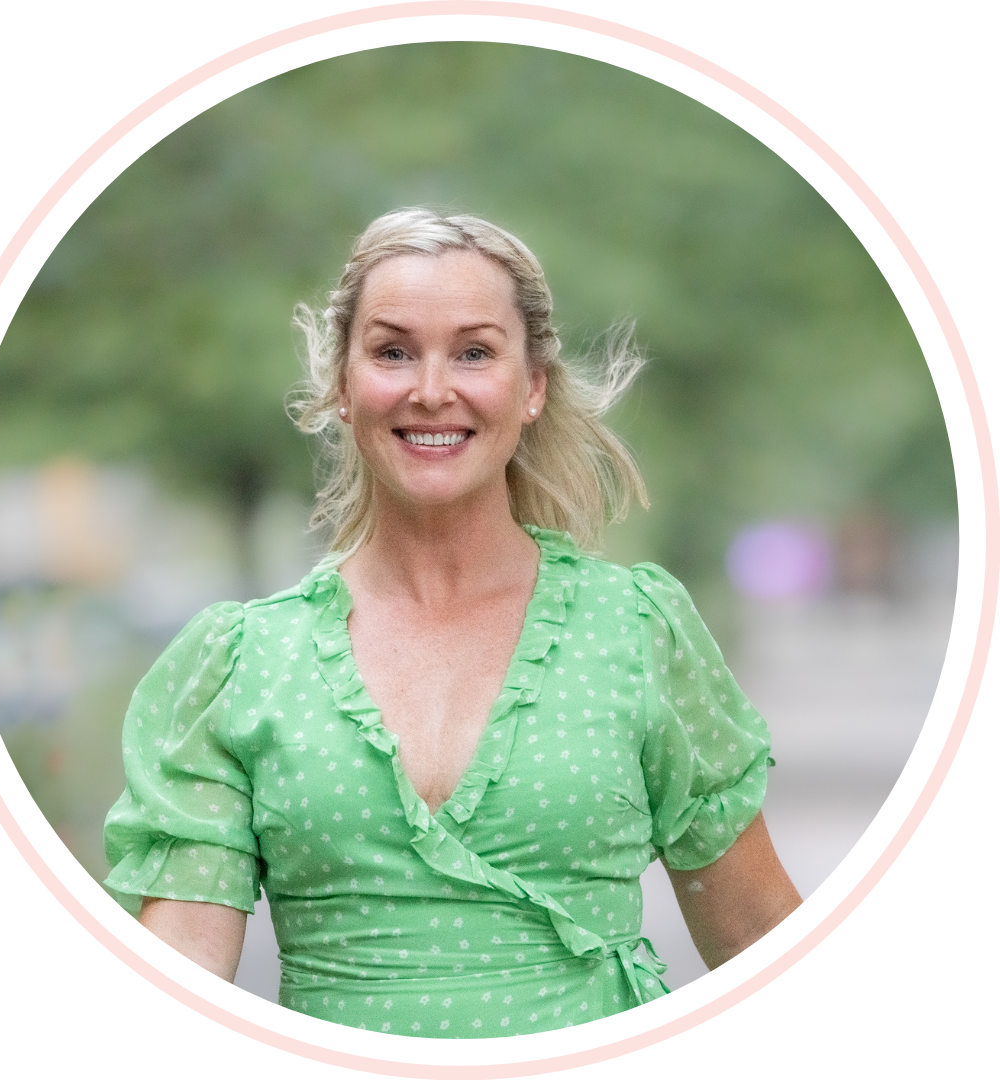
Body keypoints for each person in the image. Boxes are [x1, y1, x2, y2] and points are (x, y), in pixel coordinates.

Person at [103, 207, 801, 1037]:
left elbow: (758, 938)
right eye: (393, 352)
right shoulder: (242, 663)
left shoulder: (637, 631)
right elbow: (184, 962)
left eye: (474, 352)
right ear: (342, 385)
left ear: (532, 386)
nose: (432, 390)